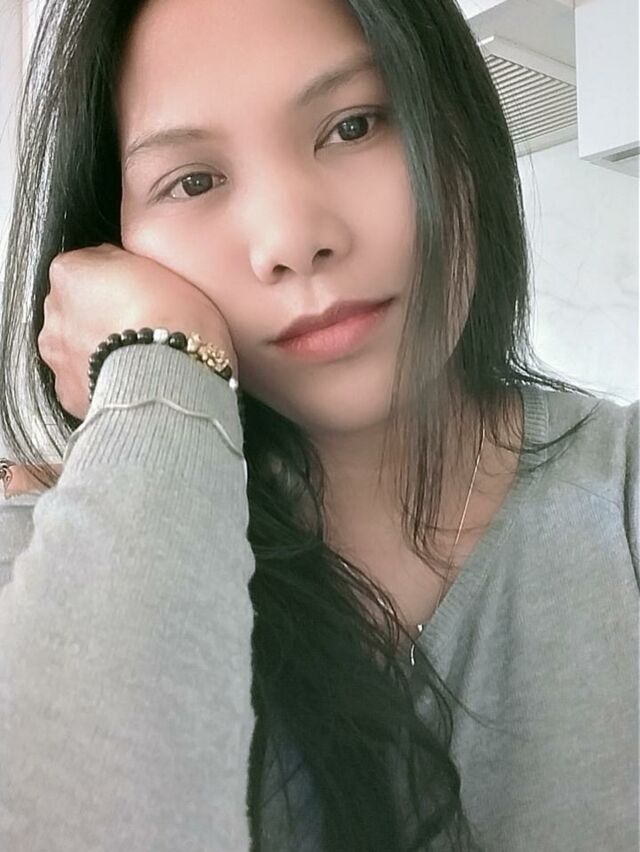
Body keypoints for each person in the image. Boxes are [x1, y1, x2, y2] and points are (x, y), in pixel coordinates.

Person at [0, 0, 637, 850]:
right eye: (193, 182)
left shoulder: (620, 500)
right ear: (107, 244)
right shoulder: (41, 566)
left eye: (353, 125)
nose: (292, 240)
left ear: (459, 127)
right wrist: (159, 369)